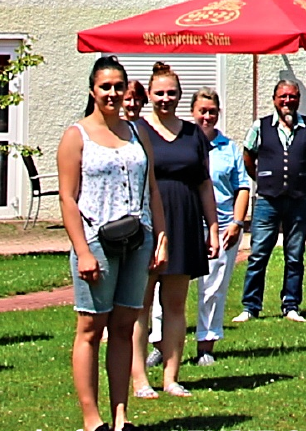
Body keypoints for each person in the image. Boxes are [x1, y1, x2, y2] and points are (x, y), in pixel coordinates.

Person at [56, 57, 150, 431]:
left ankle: (121, 415)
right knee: (91, 328)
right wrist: (82, 250)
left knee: (125, 326)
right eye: (105, 86)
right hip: (96, 241)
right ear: (92, 90)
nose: (112, 93)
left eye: (118, 86)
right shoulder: (76, 135)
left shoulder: (137, 133)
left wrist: (159, 236)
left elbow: (151, 189)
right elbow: (67, 197)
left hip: (137, 239)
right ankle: (91, 419)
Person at [130, 62, 213, 397]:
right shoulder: (136, 129)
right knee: (140, 305)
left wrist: (214, 228)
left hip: (185, 221)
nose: (165, 98)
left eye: (172, 93)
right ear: (149, 95)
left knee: (176, 305)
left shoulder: (193, 133)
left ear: (180, 95)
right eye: (159, 93)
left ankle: (171, 377)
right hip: (147, 221)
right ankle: (139, 380)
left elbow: (204, 183)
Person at [237, 78, 306, 323]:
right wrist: (263, 178)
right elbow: (248, 156)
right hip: (267, 200)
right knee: (258, 254)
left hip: (298, 199)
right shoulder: (260, 126)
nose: (287, 101)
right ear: (275, 99)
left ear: (298, 99)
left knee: (295, 255)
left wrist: (302, 177)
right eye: (283, 97)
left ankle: (291, 305)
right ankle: (251, 306)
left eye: (292, 97)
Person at [186, 89, 245, 365]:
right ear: (193, 112)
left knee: (212, 289)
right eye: (202, 111)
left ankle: (206, 346)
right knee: (168, 289)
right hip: (185, 225)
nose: (207, 117)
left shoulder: (229, 148)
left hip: (222, 227)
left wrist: (237, 222)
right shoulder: (182, 143)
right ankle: (160, 345)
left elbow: (243, 186)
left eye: (212, 111)